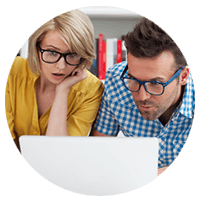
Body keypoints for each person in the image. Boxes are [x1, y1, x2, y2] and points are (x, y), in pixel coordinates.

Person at [91, 17, 195, 175]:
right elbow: (97, 153)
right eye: (133, 79)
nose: (142, 96)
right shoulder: (116, 81)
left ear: (183, 77)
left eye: (155, 83)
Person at [5, 10, 104, 152]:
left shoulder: (92, 89)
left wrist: (63, 90)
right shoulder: (13, 71)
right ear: (36, 48)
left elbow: (59, 152)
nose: (61, 66)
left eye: (73, 54)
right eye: (52, 52)